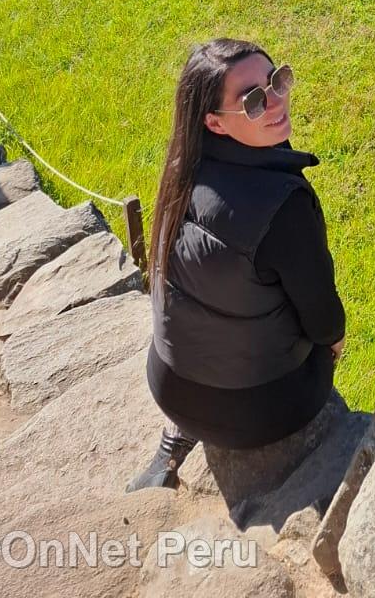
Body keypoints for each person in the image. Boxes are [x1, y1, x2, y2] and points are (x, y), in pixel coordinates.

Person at [127, 37, 346, 492]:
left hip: (170, 387)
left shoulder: (181, 170)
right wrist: (332, 343)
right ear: (214, 122)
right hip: (259, 414)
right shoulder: (282, 207)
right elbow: (325, 322)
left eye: (277, 80)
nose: (276, 102)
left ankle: (177, 439)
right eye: (252, 100)